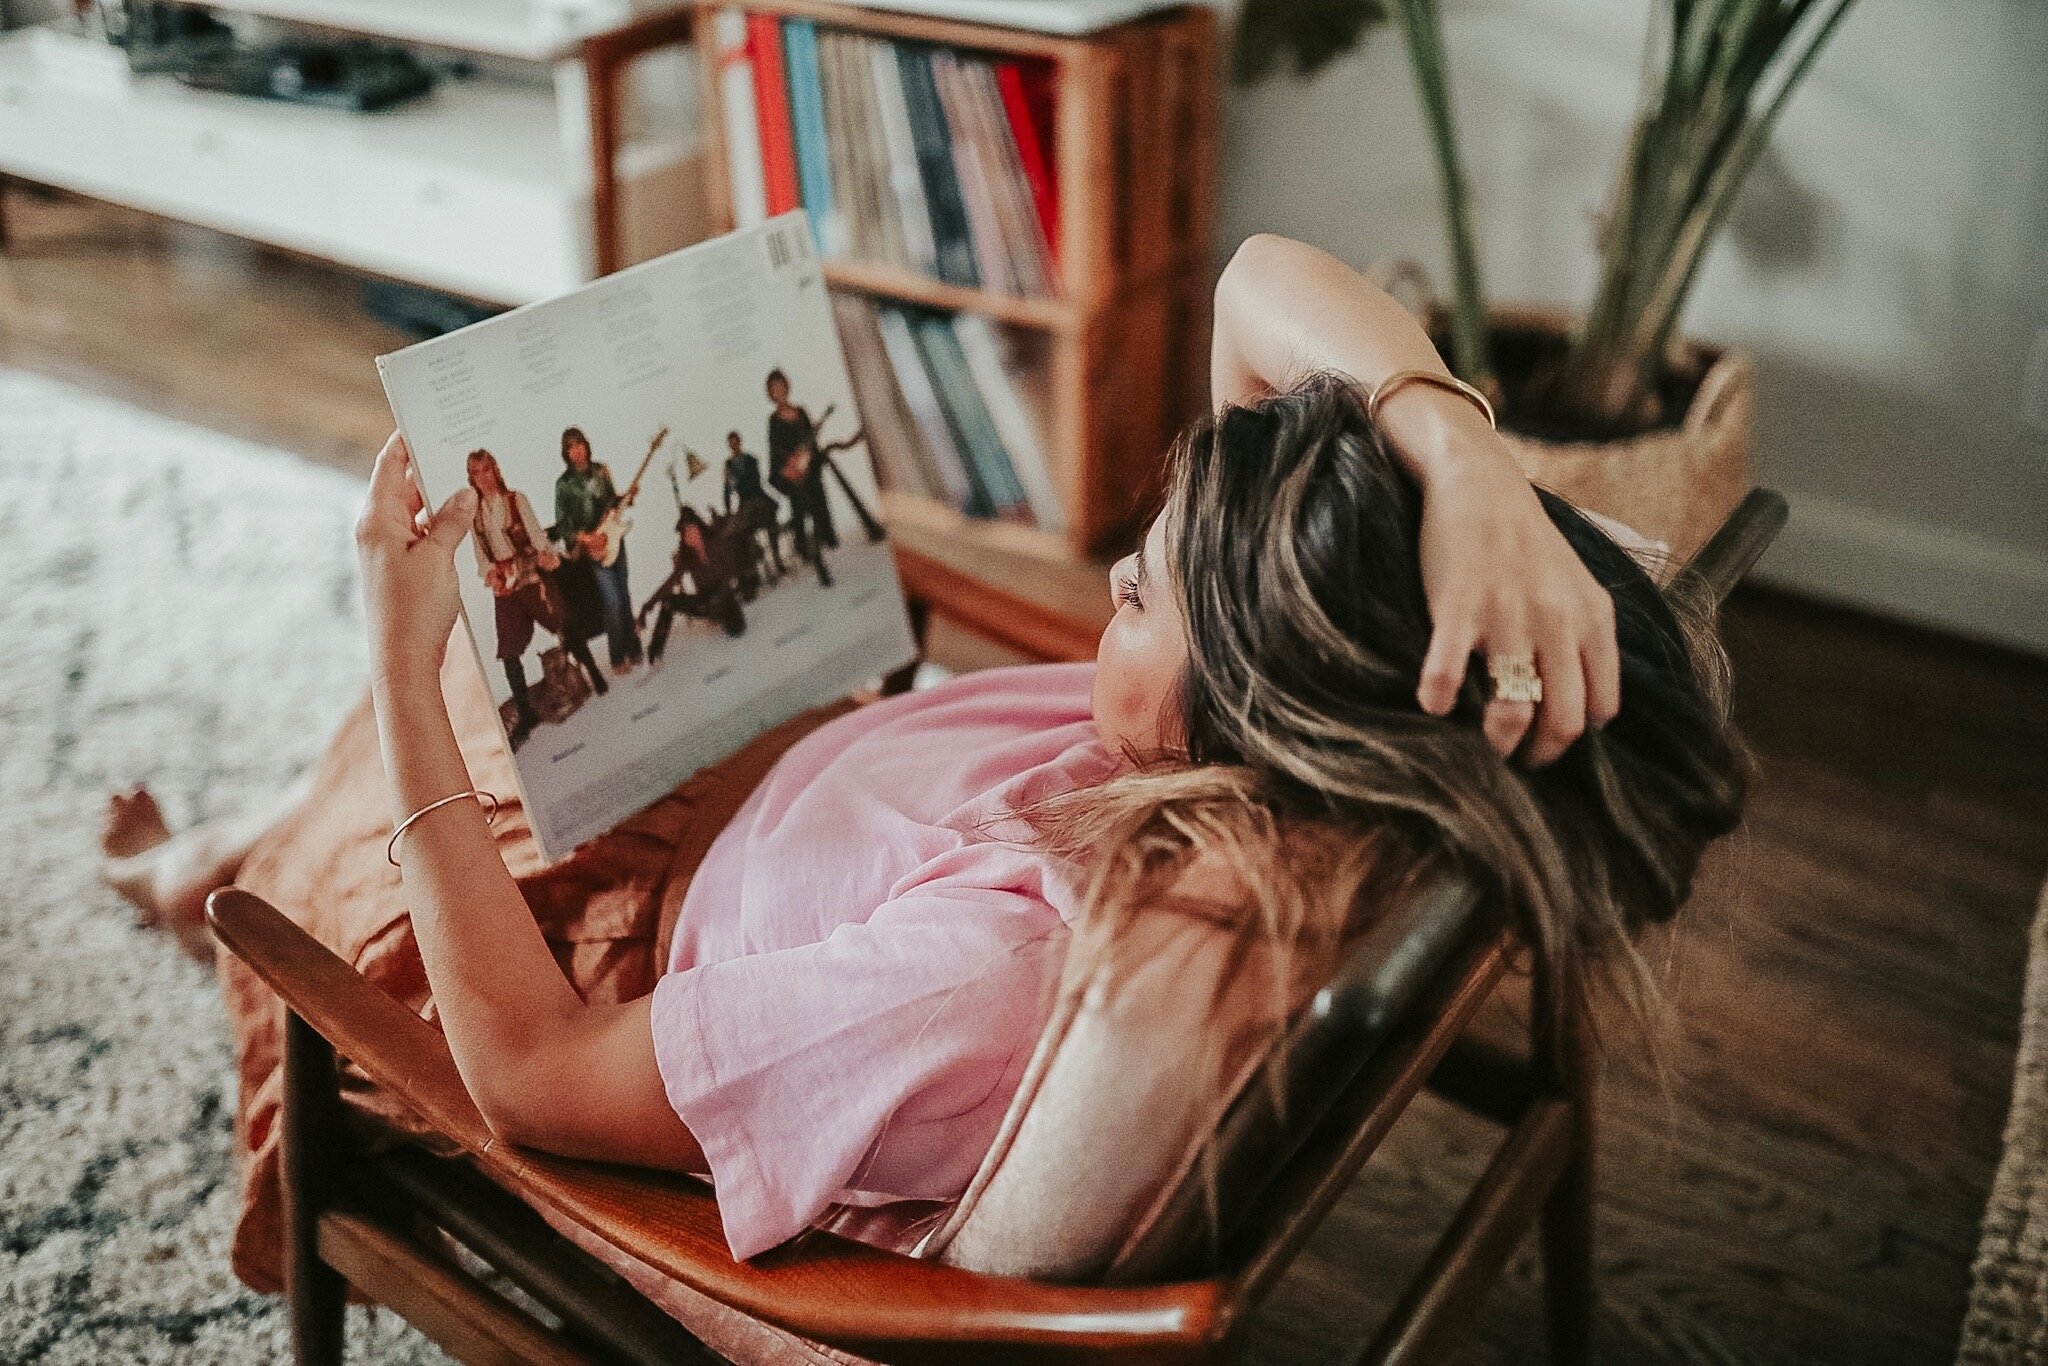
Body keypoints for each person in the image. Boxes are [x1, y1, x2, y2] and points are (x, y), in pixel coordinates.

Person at [102, 235, 1743, 1283]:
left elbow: (533, 1069)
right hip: (800, 787)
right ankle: (258, 820)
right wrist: (1460, 456)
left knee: (431, 702)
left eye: (1146, 592)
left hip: (611, 931)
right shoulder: (1274, 772)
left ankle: (220, 868)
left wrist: (396, 657)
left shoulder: (971, 984)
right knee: (499, 675)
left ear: (1256, 719)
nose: (1118, 566)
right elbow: (1253, 280)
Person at [467, 450, 608, 750]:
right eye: (476, 473)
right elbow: (481, 556)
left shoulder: (515, 500)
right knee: (508, 651)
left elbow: (536, 535)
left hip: (532, 577)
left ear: (495, 470)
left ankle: (594, 673)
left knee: (563, 624)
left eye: (487, 469)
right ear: (472, 478)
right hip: (506, 586)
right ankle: (526, 713)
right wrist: (491, 575)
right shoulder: (475, 516)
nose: (483, 477)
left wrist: (546, 556)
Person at [551, 426, 644, 673]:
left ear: (586, 445)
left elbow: (611, 504)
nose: (576, 450)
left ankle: (633, 647)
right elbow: (562, 525)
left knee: (623, 594)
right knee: (611, 600)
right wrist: (585, 538)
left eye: (579, 444)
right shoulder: (563, 484)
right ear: (565, 453)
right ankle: (617, 656)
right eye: (570, 447)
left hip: (614, 539)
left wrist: (628, 497)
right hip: (592, 550)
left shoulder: (601, 470)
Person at [765, 370, 837, 586]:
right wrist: (792, 463)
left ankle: (821, 546)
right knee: (801, 509)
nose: (778, 391)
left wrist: (809, 456)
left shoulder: (801, 411)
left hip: (811, 469)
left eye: (780, 386)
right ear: (770, 394)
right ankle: (813, 556)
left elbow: (811, 440)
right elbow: (775, 449)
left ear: (787, 386)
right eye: (773, 389)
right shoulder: (773, 420)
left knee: (819, 507)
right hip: (792, 473)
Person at [720, 430, 785, 580]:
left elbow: (755, 481)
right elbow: (727, 489)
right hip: (744, 501)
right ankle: (754, 569)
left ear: (740, 442)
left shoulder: (751, 459)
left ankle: (777, 559)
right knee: (741, 532)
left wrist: (739, 482)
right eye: (731, 445)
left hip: (757, 496)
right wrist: (728, 510)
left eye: (735, 443)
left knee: (771, 522)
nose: (734, 447)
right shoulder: (728, 465)